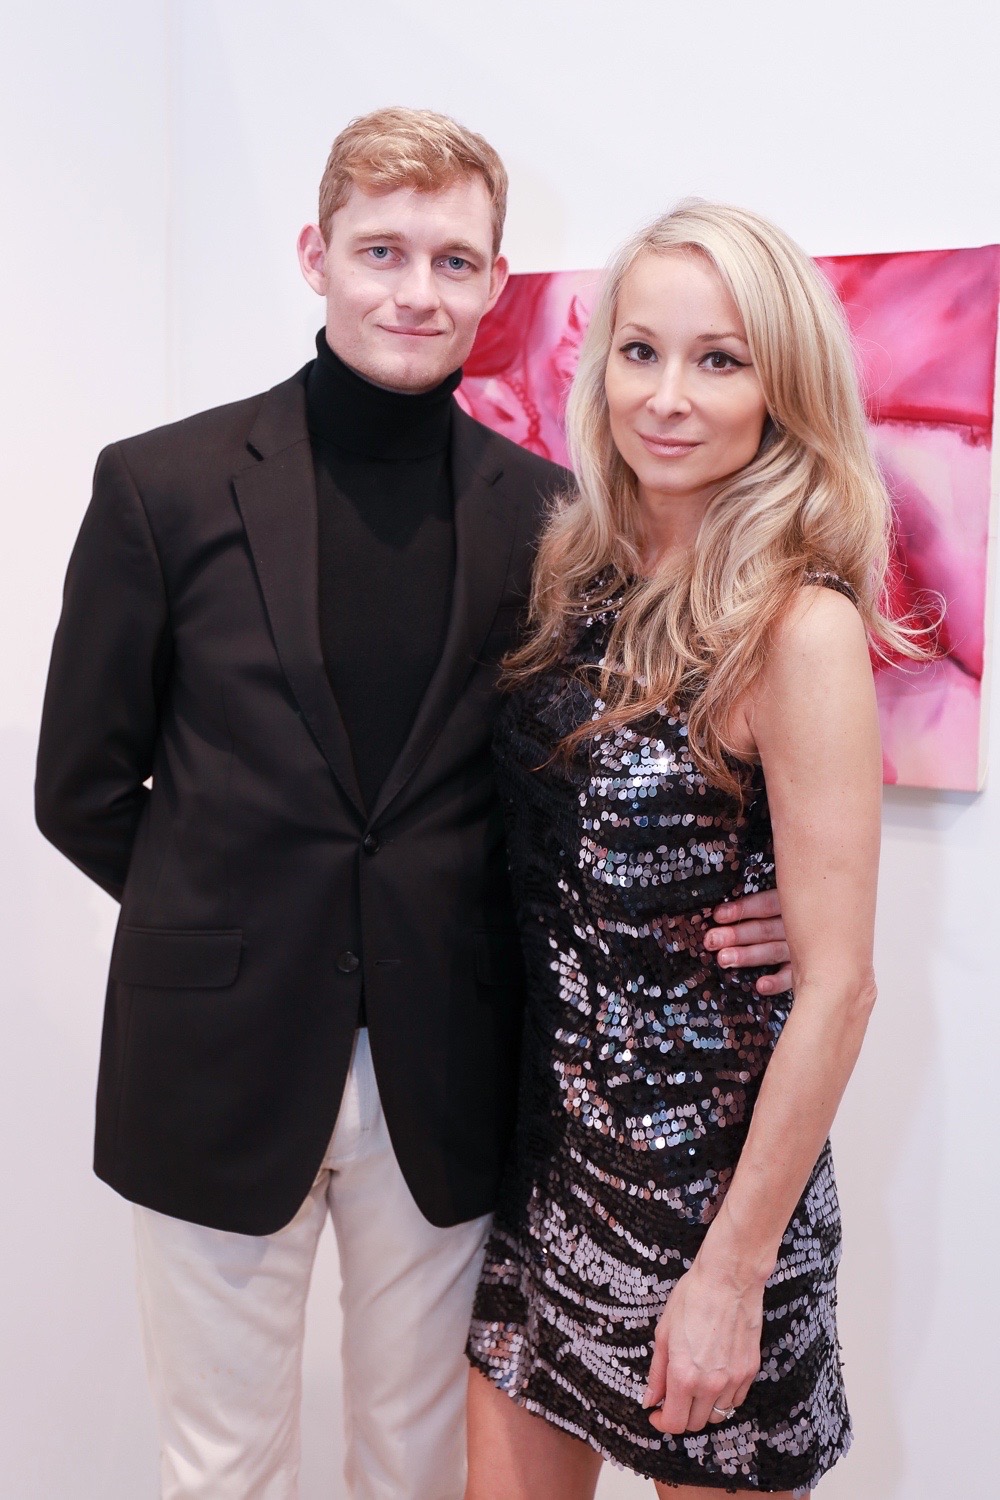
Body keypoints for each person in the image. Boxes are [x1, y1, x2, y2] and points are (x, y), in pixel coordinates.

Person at [35, 113, 788, 1500]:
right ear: (315, 255)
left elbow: (592, 784)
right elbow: (79, 788)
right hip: (212, 1059)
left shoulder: (557, 519)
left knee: (414, 1463)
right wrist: (243, 926)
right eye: (381, 252)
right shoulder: (161, 486)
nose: (416, 292)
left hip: (449, 1064)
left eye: (453, 261)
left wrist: (768, 904)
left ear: (495, 282)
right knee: (220, 1466)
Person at [466, 201, 925, 1498]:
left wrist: (732, 1274)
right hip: (547, 1179)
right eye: (641, 351)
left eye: (719, 360)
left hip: (706, 1209)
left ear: (783, 389)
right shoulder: (578, 572)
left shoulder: (795, 624)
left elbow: (840, 987)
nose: (667, 397)